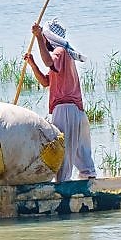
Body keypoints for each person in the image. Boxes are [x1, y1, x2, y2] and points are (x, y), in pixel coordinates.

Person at [23, 19, 97, 182]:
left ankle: (63, 186)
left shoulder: (60, 52)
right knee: (80, 151)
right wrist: (33, 64)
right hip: (76, 110)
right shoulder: (64, 56)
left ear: (49, 38)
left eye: (45, 38)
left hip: (65, 109)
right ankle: (89, 179)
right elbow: (45, 82)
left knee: (63, 150)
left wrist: (39, 38)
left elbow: (49, 62)